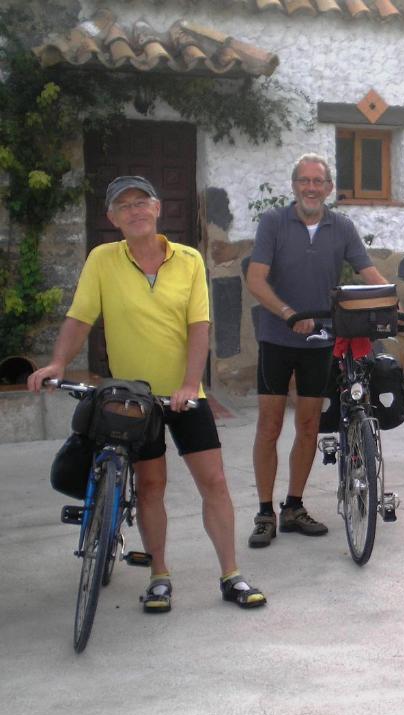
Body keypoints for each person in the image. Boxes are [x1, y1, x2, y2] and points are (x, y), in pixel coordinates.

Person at [27, 175, 266, 612]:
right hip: (130, 399)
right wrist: (58, 363)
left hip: (182, 393)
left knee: (213, 480)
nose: (135, 211)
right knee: (152, 486)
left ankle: (231, 573)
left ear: (157, 209)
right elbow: (80, 318)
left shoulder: (189, 259)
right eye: (124, 206)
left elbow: (199, 327)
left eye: (142, 202)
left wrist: (191, 385)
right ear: (112, 218)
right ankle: (159, 576)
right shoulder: (102, 260)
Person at [245, 153, 404, 547]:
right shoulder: (273, 223)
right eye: (304, 180)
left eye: (318, 181)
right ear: (294, 186)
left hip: (320, 340)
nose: (310, 187)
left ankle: (293, 506)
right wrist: (288, 314)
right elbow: (256, 279)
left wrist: (397, 310)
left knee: (308, 427)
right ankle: (264, 511)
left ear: (328, 188)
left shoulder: (341, 227)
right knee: (269, 426)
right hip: (277, 336)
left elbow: (368, 273)